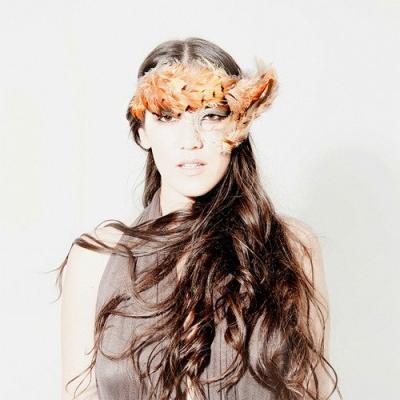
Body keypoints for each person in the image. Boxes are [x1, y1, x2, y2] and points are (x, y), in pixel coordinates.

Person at [54, 37, 342, 400]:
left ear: (238, 125)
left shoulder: (292, 246)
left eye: (211, 116)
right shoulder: (95, 259)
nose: (190, 140)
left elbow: (313, 391)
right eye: (168, 116)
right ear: (142, 131)